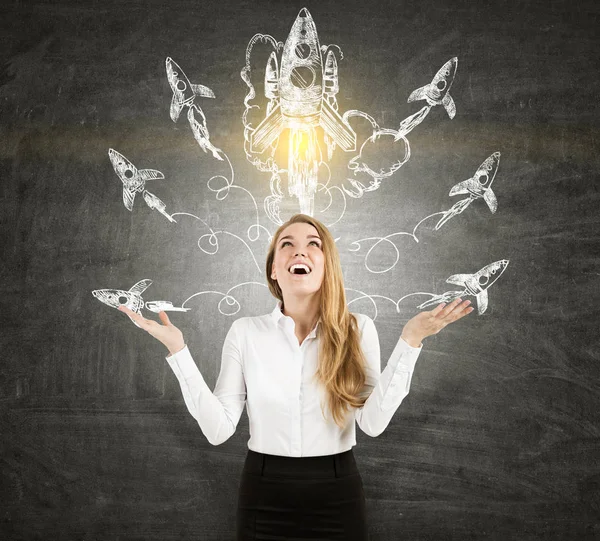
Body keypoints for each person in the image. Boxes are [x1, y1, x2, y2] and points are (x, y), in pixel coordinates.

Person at [119, 213, 473, 540]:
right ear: (274, 269)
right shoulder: (245, 333)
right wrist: (178, 350)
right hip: (262, 494)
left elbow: (373, 423)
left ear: (325, 266)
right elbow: (218, 430)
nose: (299, 251)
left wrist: (410, 342)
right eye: (287, 244)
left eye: (313, 244)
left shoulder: (357, 329)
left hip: (338, 494)